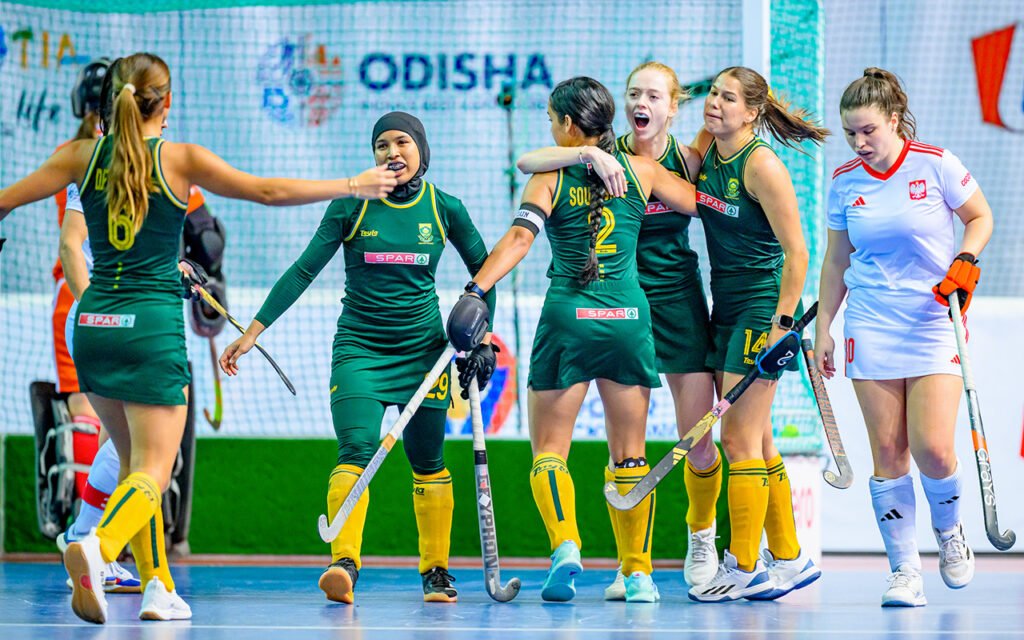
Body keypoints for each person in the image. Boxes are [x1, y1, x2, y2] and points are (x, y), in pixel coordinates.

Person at [0, 52, 395, 624]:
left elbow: (6, 202)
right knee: (153, 470)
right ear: (166, 102)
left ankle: (157, 588)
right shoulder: (180, 158)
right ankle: (96, 546)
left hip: (92, 327)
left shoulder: (80, 156)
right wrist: (355, 184)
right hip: (150, 330)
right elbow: (267, 191)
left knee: (133, 462)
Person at [219, 111, 496, 605]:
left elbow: (486, 272)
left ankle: (436, 572)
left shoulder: (445, 208)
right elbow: (303, 271)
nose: (392, 152)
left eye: (402, 142)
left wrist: (482, 339)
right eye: (382, 145)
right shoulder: (350, 205)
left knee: (428, 460)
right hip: (359, 352)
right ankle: (343, 564)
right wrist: (253, 333)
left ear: (422, 151)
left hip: (424, 356)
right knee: (355, 449)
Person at [451, 76, 698, 603]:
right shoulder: (642, 169)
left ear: (566, 124)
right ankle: (639, 576)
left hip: (569, 318)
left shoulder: (550, 175)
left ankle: (565, 546)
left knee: (549, 452)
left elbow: (519, 239)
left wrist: (476, 289)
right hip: (629, 318)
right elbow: (704, 205)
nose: (549, 128)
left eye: (550, 120)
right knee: (630, 456)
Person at [515, 61, 720, 595]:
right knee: (625, 449)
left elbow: (714, 209)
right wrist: (587, 154)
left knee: (698, 440)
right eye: (633, 94)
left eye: (652, 95)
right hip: (624, 303)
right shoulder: (612, 154)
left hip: (672, 302)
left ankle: (701, 537)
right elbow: (532, 161)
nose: (640, 103)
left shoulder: (686, 160)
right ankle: (633, 569)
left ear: (673, 106)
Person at [815, 68, 992, 607]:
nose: (859, 142)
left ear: (894, 120)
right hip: (870, 323)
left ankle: (950, 532)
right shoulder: (845, 181)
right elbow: (837, 259)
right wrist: (824, 327)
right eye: (851, 133)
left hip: (933, 319)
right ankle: (904, 571)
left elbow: (980, 216)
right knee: (889, 453)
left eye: (868, 130)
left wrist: (966, 258)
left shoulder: (936, 164)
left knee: (933, 449)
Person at [685, 66, 828, 603]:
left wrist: (781, 326)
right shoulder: (708, 146)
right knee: (760, 439)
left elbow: (798, 252)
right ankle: (788, 557)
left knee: (737, 440)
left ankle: (743, 566)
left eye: (727, 98)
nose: (714, 103)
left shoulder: (761, 164)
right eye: (712, 93)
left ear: (751, 112)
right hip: (725, 303)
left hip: (762, 307)